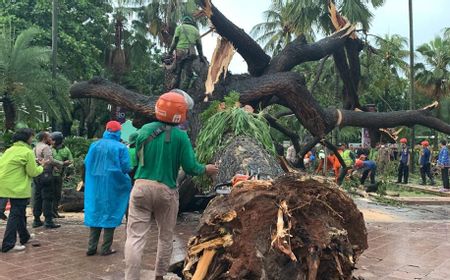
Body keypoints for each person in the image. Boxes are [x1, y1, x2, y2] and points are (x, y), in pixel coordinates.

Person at [124, 90, 218, 280]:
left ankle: (131, 277)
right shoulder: (181, 137)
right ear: (180, 113)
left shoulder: (145, 130)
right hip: (166, 190)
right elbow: (191, 167)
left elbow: (133, 141)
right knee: (165, 237)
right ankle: (159, 275)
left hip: (141, 187)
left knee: (135, 237)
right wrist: (206, 169)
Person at [84, 121, 132, 256]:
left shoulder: (94, 145)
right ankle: (106, 248)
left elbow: (87, 162)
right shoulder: (121, 147)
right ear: (118, 132)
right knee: (110, 213)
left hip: (95, 185)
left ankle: (91, 247)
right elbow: (126, 167)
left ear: (106, 130)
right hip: (114, 186)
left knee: (95, 212)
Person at [0, 128, 45, 252]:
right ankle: (8, 245)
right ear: (27, 138)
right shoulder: (27, 152)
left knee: (19, 213)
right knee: (15, 214)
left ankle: (25, 237)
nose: (33, 139)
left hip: (4, 185)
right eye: (32, 137)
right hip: (17, 187)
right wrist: (42, 166)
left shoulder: (9, 150)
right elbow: (33, 172)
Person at [33, 131, 63, 229]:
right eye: (49, 137)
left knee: (37, 196)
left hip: (37, 173)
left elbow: (37, 160)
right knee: (47, 197)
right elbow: (49, 160)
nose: (51, 138)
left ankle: (36, 219)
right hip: (46, 174)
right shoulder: (46, 147)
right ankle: (48, 221)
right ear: (45, 138)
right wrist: (60, 163)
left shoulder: (36, 147)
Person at [169, 15, 205, 90]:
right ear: (190, 22)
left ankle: (173, 90)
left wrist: (170, 52)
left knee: (177, 73)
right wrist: (201, 57)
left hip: (180, 53)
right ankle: (183, 92)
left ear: (183, 21)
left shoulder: (179, 28)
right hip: (190, 54)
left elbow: (175, 41)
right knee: (188, 74)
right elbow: (199, 45)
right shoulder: (195, 30)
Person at [51, 132, 73, 218]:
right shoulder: (49, 149)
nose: (51, 141)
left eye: (53, 139)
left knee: (57, 194)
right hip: (49, 174)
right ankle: (50, 212)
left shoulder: (66, 150)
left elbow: (71, 161)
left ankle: (55, 211)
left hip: (59, 175)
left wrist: (66, 164)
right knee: (50, 194)